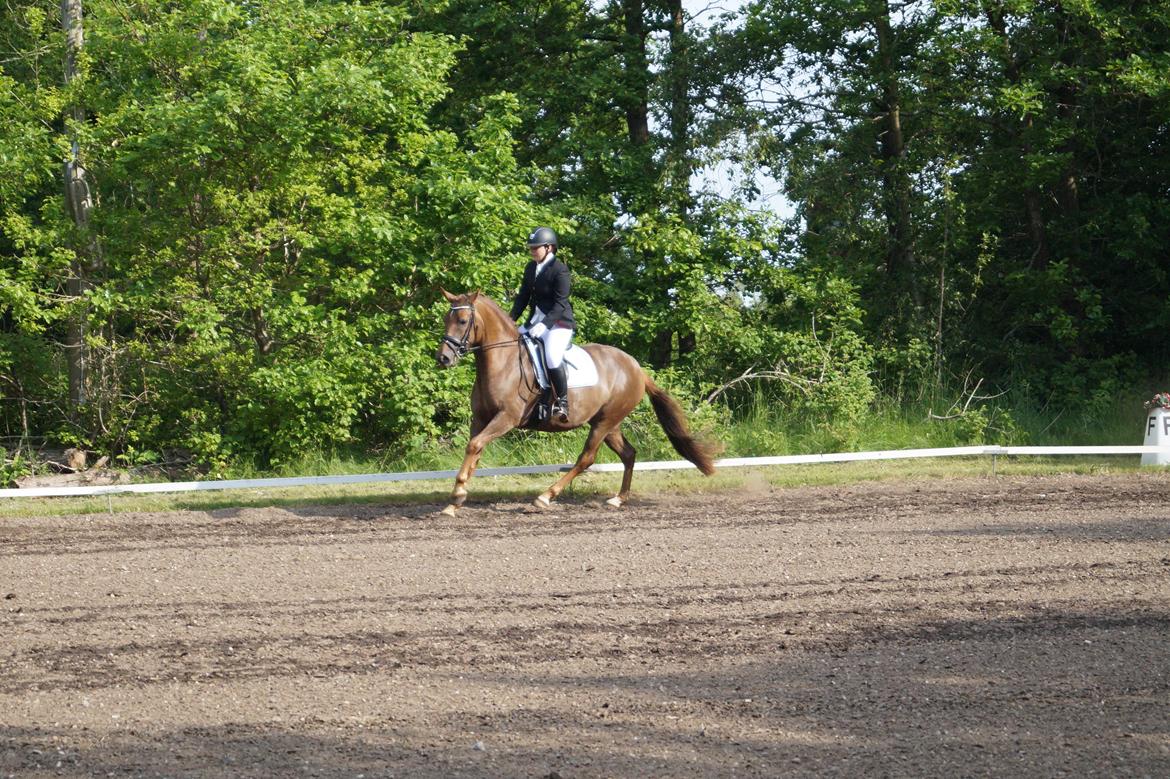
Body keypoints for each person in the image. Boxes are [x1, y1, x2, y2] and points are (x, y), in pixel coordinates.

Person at [510, 226, 576, 421]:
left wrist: (545, 325)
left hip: (558, 324)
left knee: (552, 356)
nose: (531, 251)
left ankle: (562, 402)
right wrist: (510, 319)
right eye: (530, 248)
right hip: (534, 322)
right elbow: (523, 296)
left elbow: (560, 304)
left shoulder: (560, 270)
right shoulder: (531, 268)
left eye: (535, 248)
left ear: (548, 247)